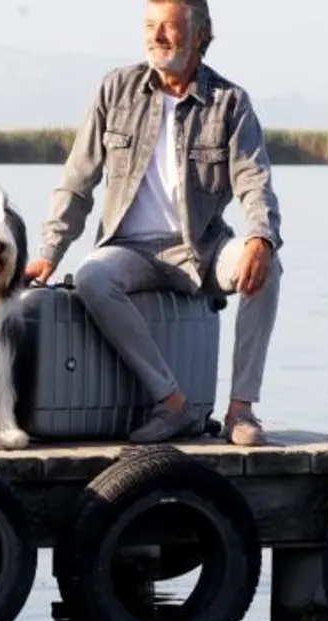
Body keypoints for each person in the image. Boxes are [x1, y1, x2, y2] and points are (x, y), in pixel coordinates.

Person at [26, 0, 283, 446]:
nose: (156, 36)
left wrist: (261, 236)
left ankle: (242, 409)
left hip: (201, 249)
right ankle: (172, 403)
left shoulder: (231, 103)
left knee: (268, 264)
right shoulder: (116, 89)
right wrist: (50, 253)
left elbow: (253, 181)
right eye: (149, 26)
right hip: (129, 248)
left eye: (169, 26)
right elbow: (77, 179)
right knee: (92, 278)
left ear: (200, 34)